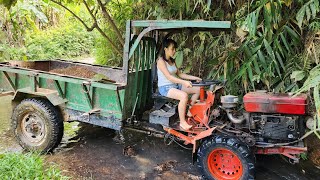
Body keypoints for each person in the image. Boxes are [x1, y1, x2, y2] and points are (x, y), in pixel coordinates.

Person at [157, 39, 201, 130]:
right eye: (172, 49)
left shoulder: (172, 61)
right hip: (165, 88)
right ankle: (182, 122)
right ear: (165, 49)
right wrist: (184, 82)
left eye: (175, 49)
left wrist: (195, 78)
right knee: (184, 96)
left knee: (198, 89)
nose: (174, 51)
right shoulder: (160, 61)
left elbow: (180, 74)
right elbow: (169, 77)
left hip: (175, 86)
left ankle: (189, 112)